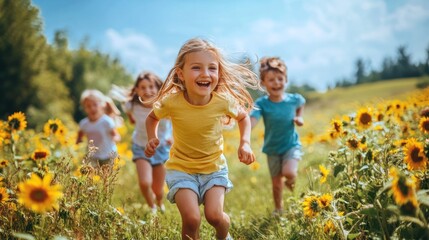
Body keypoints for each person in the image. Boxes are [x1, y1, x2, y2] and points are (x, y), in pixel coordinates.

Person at [144, 38, 259, 240]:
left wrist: (245, 143)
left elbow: (243, 118)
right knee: (191, 219)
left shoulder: (222, 101)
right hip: (181, 169)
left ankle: (224, 235)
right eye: (196, 68)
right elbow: (152, 117)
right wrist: (152, 138)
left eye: (212, 69)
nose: (206, 74)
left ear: (218, 73)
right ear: (181, 74)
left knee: (214, 216)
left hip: (214, 169)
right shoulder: (172, 102)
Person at [250, 57, 305, 216]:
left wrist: (299, 117)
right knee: (276, 184)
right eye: (271, 80)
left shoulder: (293, 99)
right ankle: (278, 209)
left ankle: (291, 181)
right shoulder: (262, 103)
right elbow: (253, 119)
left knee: (289, 172)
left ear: (286, 80)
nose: (276, 83)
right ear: (263, 83)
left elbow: (301, 102)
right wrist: (246, 129)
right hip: (272, 148)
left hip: (290, 145)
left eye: (280, 79)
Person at [124, 72, 172, 214]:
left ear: (158, 88)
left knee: (158, 189)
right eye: (143, 87)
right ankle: (152, 208)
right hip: (140, 146)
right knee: (145, 183)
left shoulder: (165, 106)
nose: (147, 91)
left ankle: (159, 202)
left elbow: (175, 123)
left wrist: (171, 137)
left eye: (151, 87)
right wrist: (131, 119)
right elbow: (127, 111)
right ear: (137, 90)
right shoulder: (132, 105)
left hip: (161, 147)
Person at [76, 89, 121, 167]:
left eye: (95, 105)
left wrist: (115, 138)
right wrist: (78, 142)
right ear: (84, 108)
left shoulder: (106, 121)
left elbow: (116, 135)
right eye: (88, 106)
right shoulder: (84, 124)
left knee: (106, 178)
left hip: (108, 155)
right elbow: (79, 137)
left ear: (102, 105)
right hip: (93, 156)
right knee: (93, 177)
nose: (92, 108)